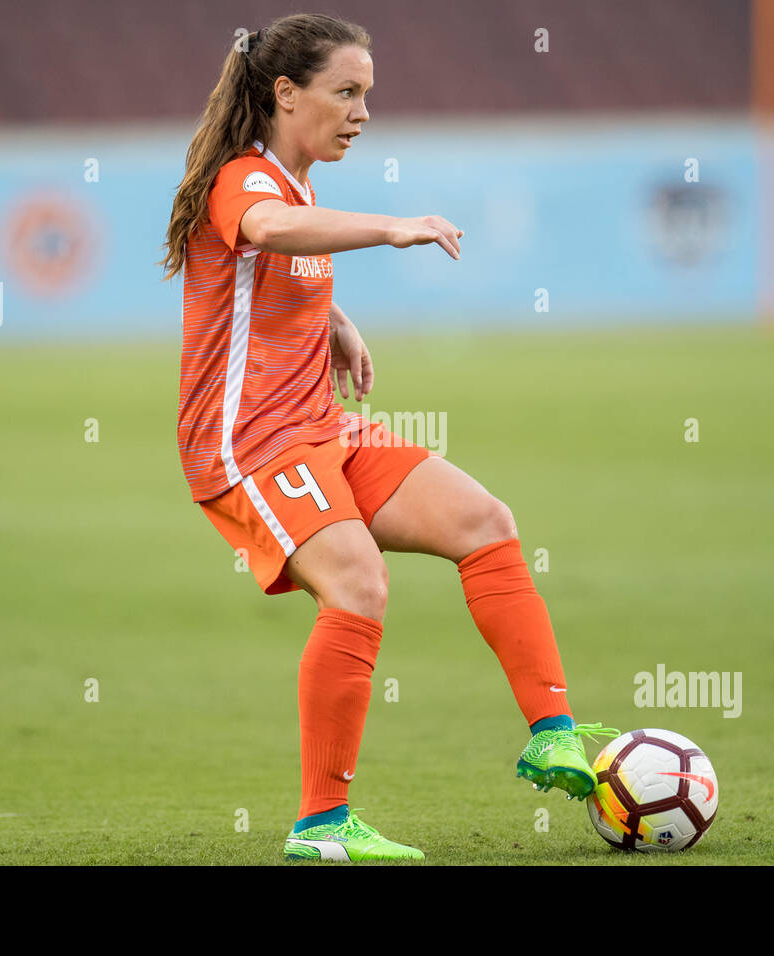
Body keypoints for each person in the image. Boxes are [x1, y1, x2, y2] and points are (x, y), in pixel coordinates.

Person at [163, 13, 617, 863]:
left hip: (318, 426)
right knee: (359, 588)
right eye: (346, 92)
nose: (362, 111)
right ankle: (321, 827)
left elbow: (267, 263)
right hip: (249, 446)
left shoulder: (294, 186)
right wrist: (391, 227)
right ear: (284, 93)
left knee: (485, 522)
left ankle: (551, 732)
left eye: (367, 94)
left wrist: (331, 318)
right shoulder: (243, 180)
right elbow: (264, 233)